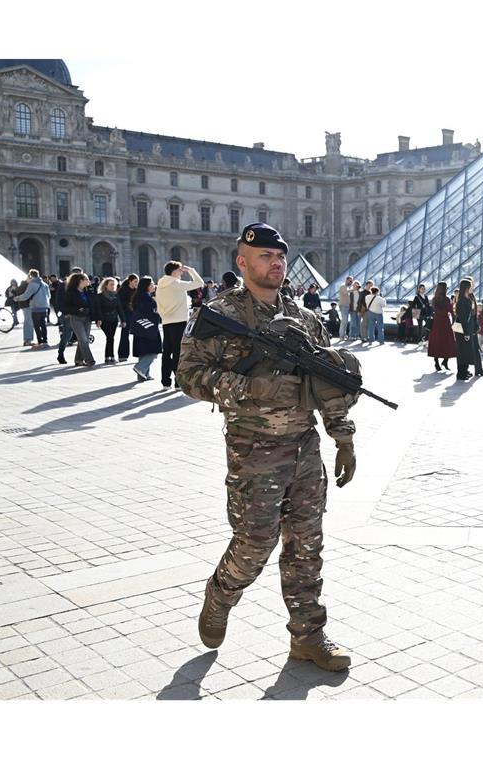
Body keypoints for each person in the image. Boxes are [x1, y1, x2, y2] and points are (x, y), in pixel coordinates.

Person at [178, 222, 358, 672]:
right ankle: (220, 594)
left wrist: (343, 437)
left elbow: (328, 384)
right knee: (255, 543)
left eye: (280, 256)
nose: (275, 263)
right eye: (264, 256)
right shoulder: (220, 315)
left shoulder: (304, 318)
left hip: (304, 449)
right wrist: (251, 388)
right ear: (242, 262)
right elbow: (189, 377)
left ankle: (308, 636)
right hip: (253, 451)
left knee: (306, 545)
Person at [155, 258, 205, 389]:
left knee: (167, 352)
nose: (181, 272)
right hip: (179, 321)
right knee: (178, 352)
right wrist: (191, 270)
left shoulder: (160, 285)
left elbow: (158, 304)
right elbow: (199, 283)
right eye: (179, 270)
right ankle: (178, 382)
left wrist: (163, 315)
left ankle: (165, 381)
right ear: (173, 271)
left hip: (166, 321)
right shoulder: (176, 284)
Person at [130, 277, 160, 381]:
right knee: (153, 350)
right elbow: (149, 312)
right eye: (151, 284)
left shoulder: (139, 296)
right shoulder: (146, 298)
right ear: (146, 286)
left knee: (144, 350)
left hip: (140, 327)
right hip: (148, 326)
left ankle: (143, 375)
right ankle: (140, 367)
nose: (153, 286)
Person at [62, 273, 95, 367]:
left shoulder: (88, 290)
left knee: (83, 340)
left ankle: (78, 360)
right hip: (76, 318)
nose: (88, 281)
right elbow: (66, 306)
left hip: (87, 318)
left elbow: (93, 303)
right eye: (86, 279)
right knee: (84, 339)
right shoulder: (71, 292)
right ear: (80, 281)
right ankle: (90, 360)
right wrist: (77, 310)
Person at [455, 278, 483, 380]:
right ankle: (461, 373)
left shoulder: (467, 300)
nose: (473, 287)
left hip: (468, 329)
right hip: (464, 330)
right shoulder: (463, 301)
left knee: (466, 351)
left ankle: (464, 371)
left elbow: (471, 316)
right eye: (471, 286)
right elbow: (464, 318)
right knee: (463, 352)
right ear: (466, 288)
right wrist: (467, 333)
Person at [93, 277, 125, 364]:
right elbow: (98, 309)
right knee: (110, 337)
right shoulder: (100, 296)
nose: (113, 286)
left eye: (114, 284)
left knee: (111, 338)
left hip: (114, 320)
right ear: (106, 286)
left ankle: (109, 356)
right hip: (104, 320)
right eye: (111, 284)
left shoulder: (116, 296)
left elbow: (120, 308)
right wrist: (98, 319)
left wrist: (123, 320)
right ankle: (109, 356)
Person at [15, 269, 50, 347]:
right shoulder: (45, 284)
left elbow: (26, 296)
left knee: (36, 325)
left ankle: (39, 341)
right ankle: (45, 341)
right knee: (43, 325)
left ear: (30, 276)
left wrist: (17, 298)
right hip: (44, 307)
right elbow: (49, 296)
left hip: (35, 307)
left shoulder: (32, 284)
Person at [428, 281, 456, 372]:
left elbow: (432, 310)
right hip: (445, 323)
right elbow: (451, 311)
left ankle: (436, 362)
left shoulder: (434, 299)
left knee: (436, 342)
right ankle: (445, 360)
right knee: (448, 342)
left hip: (436, 323)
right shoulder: (447, 299)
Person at [117, 274, 138, 362]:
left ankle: (138, 353)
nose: (136, 283)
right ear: (130, 281)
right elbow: (120, 305)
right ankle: (123, 354)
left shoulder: (137, 291)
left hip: (136, 314)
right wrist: (122, 319)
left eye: (137, 282)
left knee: (138, 334)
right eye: (135, 281)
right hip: (126, 314)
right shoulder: (123, 290)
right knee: (125, 334)